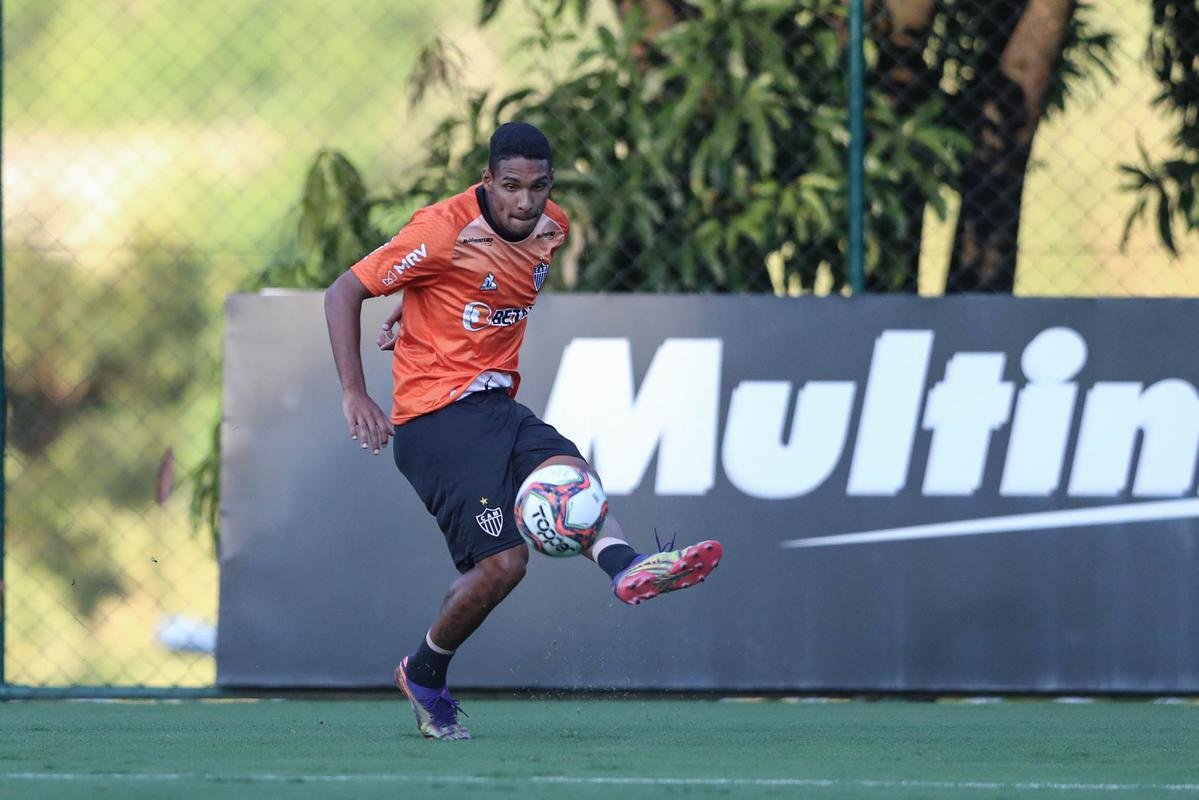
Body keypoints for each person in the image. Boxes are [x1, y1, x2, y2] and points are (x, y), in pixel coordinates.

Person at [323, 122, 722, 741]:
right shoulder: (440, 230)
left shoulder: (551, 227)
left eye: (537, 187)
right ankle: (425, 675)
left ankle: (626, 568)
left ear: (550, 186)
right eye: (510, 186)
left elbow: (474, 288)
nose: (523, 201)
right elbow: (343, 291)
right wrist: (355, 391)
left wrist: (420, 301)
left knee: (574, 477)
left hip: (498, 409)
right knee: (505, 566)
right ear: (487, 181)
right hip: (436, 420)